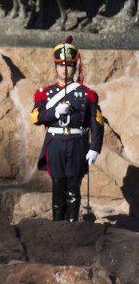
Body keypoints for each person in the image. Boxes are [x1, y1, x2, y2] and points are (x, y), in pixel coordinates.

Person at [31, 39, 105, 221]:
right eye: (61, 65)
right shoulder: (45, 93)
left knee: (73, 187)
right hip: (55, 143)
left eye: (69, 65)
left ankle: (72, 228)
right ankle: (58, 227)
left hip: (77, 144)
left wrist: (95, 147)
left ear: (75, 67)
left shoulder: (87, 93)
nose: (65, 69)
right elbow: (35, 117)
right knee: (58, 186)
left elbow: (97, 123)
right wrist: (53, 113)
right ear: (55, 67)